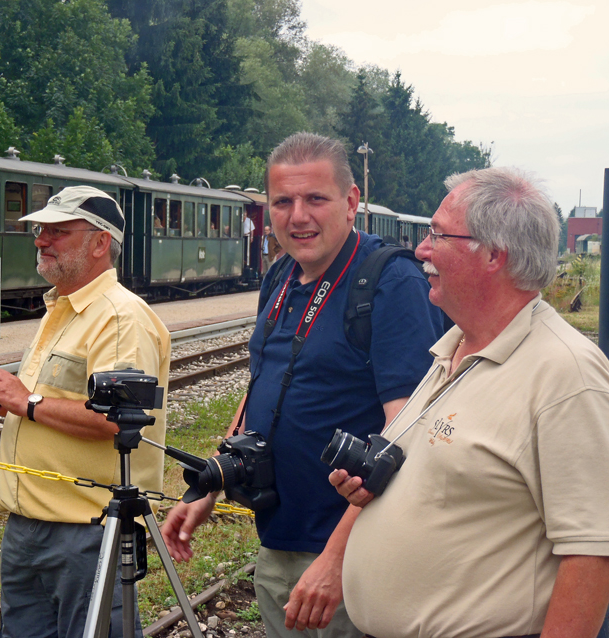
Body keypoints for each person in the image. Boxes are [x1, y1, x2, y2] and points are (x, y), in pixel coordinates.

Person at [334, 167, 609, 638]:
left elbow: (593, 552)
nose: (421, 249)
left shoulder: (568, 375)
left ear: (494, 254)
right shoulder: (455, 348)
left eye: (438, 234)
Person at [162, 132, 443, 638]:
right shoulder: (281, 276)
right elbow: (259, 388)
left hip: (358, 556)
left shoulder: (390, 282)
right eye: (283, 202)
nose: (298, 217)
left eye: (316, 198)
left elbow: (406, 437)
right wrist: (214, 480)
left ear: (351, 201)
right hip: (280, 540)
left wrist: (336, 562)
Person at [0, 185, 170, 638]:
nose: (40, 240)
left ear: (99, 243)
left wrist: (28, 401)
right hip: (28, 527)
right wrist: (5, 401)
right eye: (40, 230)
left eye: (57, 231)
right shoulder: (61, 309)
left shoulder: (120, 318)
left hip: (89, 531)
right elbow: (50, 401)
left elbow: (119, 419)